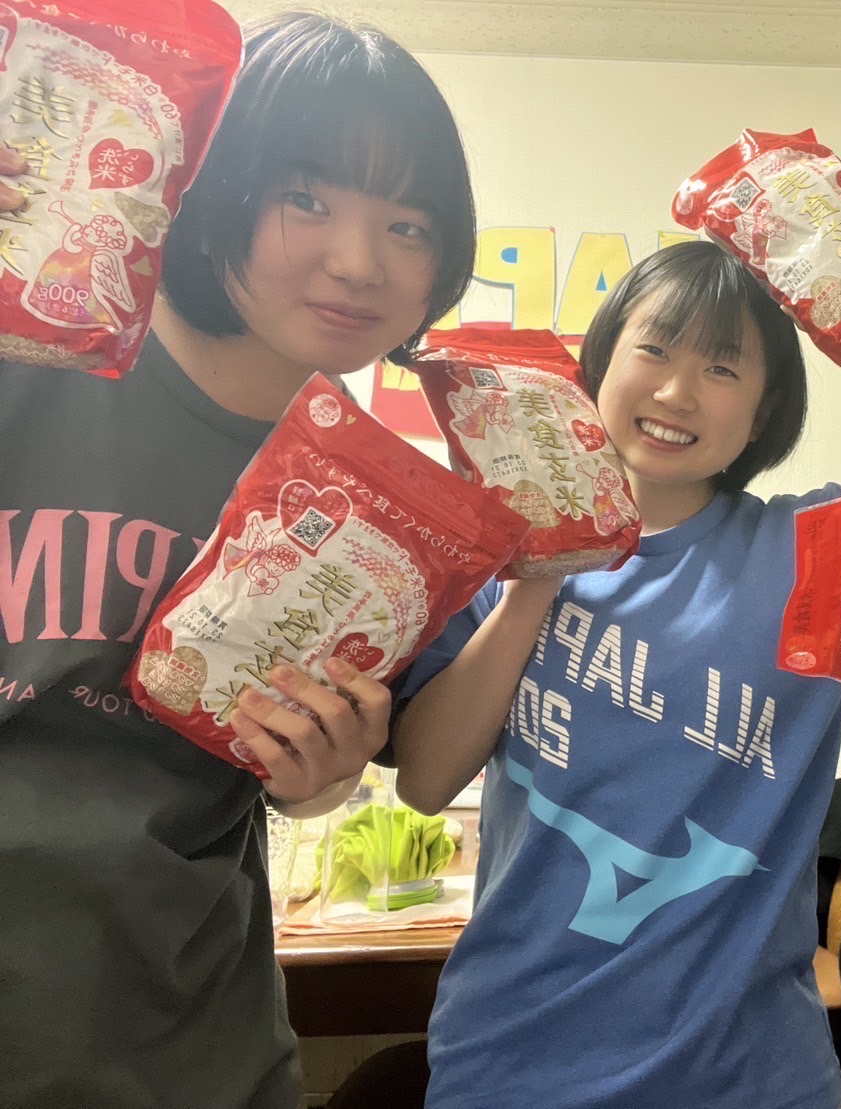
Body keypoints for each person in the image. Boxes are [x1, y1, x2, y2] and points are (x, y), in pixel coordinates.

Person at [0, 12, 477, 1106]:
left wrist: (318, 776)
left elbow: (280, 783)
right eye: (306, 197)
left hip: (193, 1041)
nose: (358, 262)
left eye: (408, 224)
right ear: (213, 182)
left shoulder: (373, 511)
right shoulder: (39, 352)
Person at [392, 240, 841, 1108]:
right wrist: (537, 574)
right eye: (652, 349)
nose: (677, 392)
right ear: (598, 365)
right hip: (512, 1058)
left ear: (762, 412)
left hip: (751, 1076)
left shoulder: (821, 550)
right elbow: (425, 781)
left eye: (721, 368)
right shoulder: (492, 562)